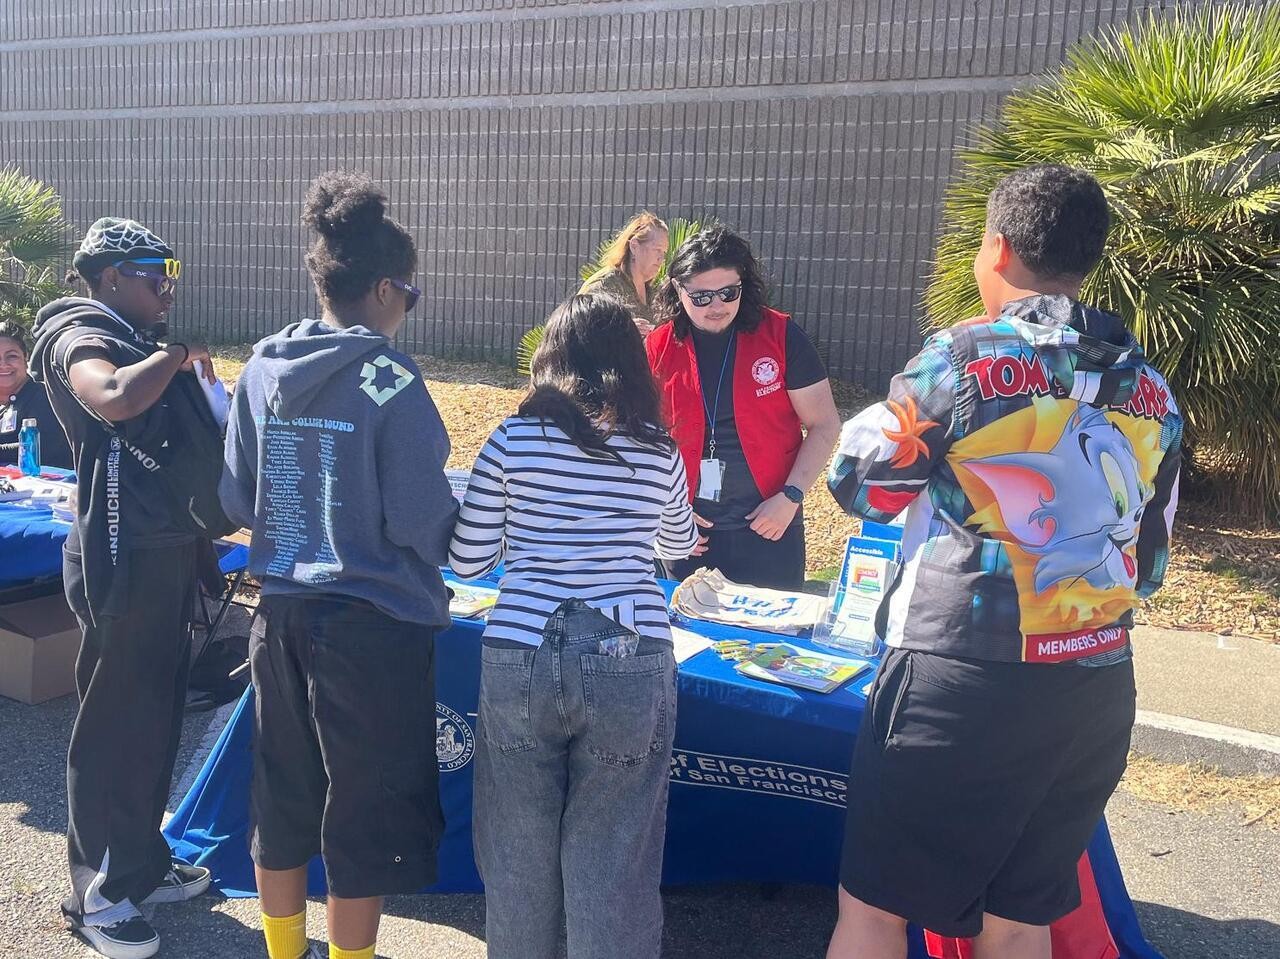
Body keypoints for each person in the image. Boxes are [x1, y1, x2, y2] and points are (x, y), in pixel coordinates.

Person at [824, 165, 1183, 959]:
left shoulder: (959, 360)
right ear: (1086, 260)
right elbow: (1148, 565)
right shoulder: (1153, 390)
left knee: (875, 907)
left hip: (960, 674)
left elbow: (860, 482)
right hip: (1093, 684)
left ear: (997, 247)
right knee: (1021, 917)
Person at [219, 171, 458, 959]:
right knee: (366, 812)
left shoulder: (259, 368)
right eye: (410, 295)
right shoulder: (390, 376)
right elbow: (421, 516)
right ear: (387, 288)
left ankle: (286, 952)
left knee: (281, 796)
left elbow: (240, 494)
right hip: (372, 627)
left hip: (279, 613)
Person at [449, 294, 699, 959]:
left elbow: (468, 558)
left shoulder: (512, 438)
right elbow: (677, 544)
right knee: (616, 852)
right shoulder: (659, 450)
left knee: (517, 848)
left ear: (552, 359)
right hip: (629, 647)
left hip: (521, 647)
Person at [28, 218, 224, 959]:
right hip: (120, 556)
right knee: (115, 723)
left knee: (158, 713)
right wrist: (176, 356)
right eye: (153, 269)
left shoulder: (137, 335)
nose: (167, 283)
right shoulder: (79, 330)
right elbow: (108, 396)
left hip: (168, 549)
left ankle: (141, 860)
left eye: (171, 268)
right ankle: (96, 889)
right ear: (109, 274)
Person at [647, 226, 841, 590]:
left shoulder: (782, 336)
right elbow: (639, 438)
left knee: (773, 645)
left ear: (744, 286)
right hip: (687, 531)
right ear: (677, 289)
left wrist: (790, 497)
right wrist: (665, 515)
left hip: (770, 522)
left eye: (728, 293)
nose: (717, 306)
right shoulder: (657, 348)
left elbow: (824, 424)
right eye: (701, 297)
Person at [578, 211, 669, 334]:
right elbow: (578, 331)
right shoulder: (602, 287)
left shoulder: (654, 295)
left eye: (664, 252)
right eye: (657, 249)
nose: (661, 258)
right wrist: (621, 330)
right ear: (634, 246)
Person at [0, 320, 73, 469]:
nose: (3, 364)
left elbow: (39, 447)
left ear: (25, 358)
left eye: (11, 356)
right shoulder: (4, 405)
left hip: (50, 488)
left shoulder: (44, 396)